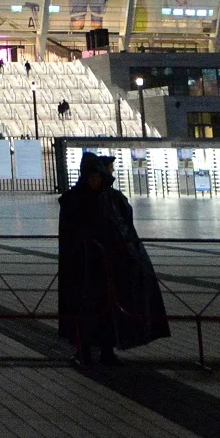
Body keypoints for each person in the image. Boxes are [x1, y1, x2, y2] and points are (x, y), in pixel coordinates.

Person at [57, 152, 170, 368]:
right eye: (94, 176)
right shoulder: (74, 200)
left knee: (108, 310)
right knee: (85, 310)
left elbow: (123, 227)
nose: (97, 181)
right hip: (84, 270)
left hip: (107, 267)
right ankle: (84, 350)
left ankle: (106, 350)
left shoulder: (111, 199)